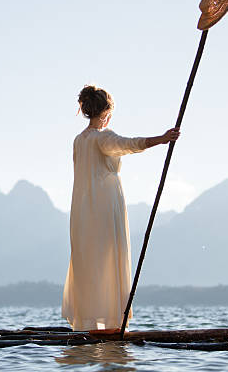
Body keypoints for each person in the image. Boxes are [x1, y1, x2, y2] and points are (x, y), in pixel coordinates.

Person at [62, 84, 180, 332]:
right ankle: (112, 322)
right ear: (106, 112)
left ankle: (88, 321)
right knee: (109, 259)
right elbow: (129, 144)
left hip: (82, 210)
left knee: (89, 262)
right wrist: (161, 139)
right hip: (105, 207)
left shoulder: (78, 140)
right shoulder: (102, 137)